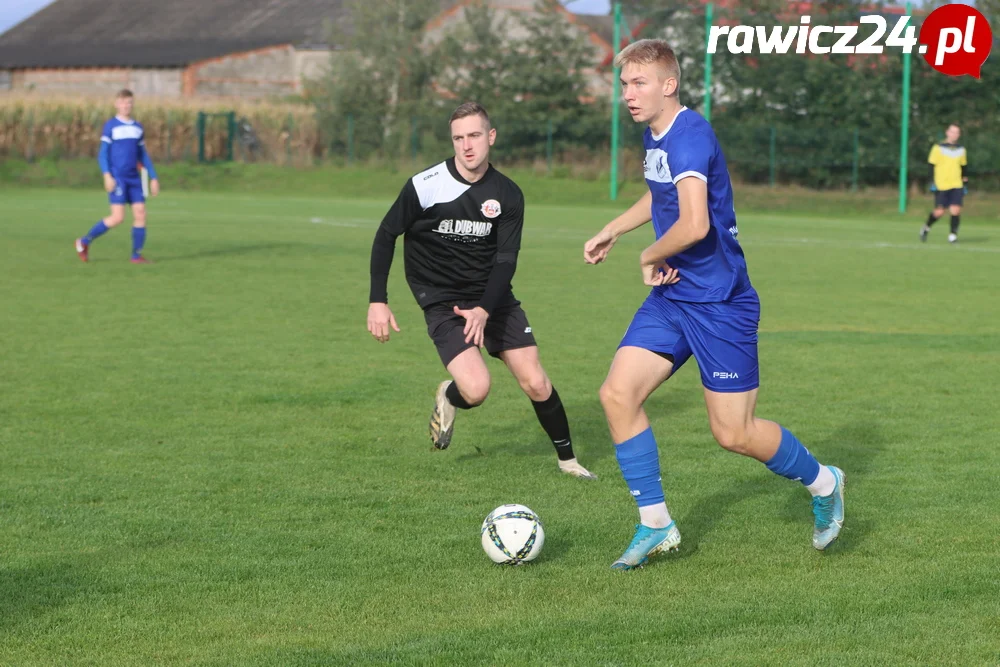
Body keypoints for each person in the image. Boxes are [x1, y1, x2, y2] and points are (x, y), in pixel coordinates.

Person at [583, 40, 845, 570]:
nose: (627, 94)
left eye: (638, 83)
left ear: (668, 84)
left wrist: (649, 253)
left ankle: (825, 481)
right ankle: (656, 524)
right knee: (616, 394)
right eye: (624, 84)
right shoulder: (654, 132)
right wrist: (614, 228)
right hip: (674, 297)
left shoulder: (689, 136)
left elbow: (696, 223)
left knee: (734, 434)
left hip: (720, 302)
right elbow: (662, 197)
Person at [367, 101, 596, 480]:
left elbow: (506, 260)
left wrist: (486, 309)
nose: (466, 146)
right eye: (458, 138)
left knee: (536, 381)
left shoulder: (508, 194)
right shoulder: (425, 186)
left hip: (492, 297)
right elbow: (386, 234)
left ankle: (568, 461)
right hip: (441, 299)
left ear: (490, 137)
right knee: (475, 389)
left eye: (474, 135)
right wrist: (378, 300)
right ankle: (450, 394)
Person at [75, 89, 159, 264]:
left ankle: (136, 255)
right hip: (118, 177)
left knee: (141, 214)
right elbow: (102, 154)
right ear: (116, 104)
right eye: (123, 102)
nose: (126, 106)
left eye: (129, 102)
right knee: (117, 218)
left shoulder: (137, 127)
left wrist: (153, 177)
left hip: (134, 178)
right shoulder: (111, 126)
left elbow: (143, 154)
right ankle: (84, 241)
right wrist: (107, 175)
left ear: (132, 104)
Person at [920, 123, 968, 244]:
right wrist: (932, 181)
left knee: (955, 210)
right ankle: (926, 227)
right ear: (947, 132)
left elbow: (963, 166)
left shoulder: (961, 149)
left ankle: (953, 235)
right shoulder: (938, 148)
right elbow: (931, 165)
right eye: (952, 132)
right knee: (939, 212)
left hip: (956, 184)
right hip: (941, 184)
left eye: (957, 132)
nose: (954, 134)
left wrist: (964, 179)